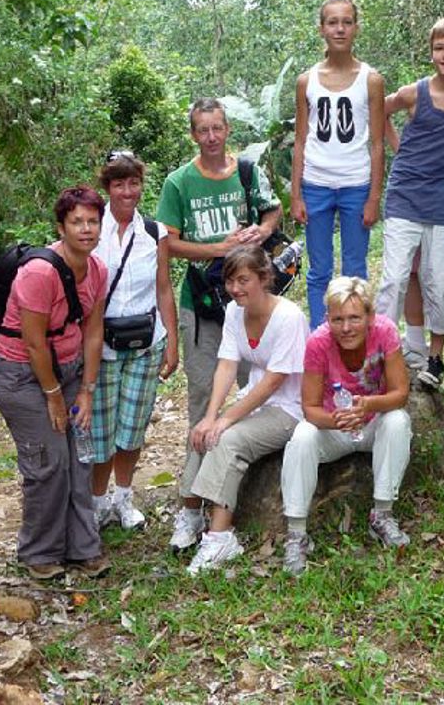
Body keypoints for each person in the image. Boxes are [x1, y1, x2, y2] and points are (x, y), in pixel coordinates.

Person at [155, 98, 283, 552]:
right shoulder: (179, 182)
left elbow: (273, 211)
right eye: (202, 130)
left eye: (217, 128)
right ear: (193, 134)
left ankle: (238, 493)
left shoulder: (246, 172)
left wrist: (261, 234)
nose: (211, 137)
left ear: (227, 129)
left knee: (260, 398)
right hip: (203, 303)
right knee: (203, 400)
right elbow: (167, 243)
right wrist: (219, 250)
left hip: (253, 303)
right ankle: (191, 509)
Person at [0, 185, 109, 580]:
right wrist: (54, 397)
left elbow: (94, 331)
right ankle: (39, 552)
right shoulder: (39, 272)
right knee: (48, 463)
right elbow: (33, 341)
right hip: (24, 376)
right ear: (61, 227)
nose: (86, 230)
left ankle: (82, 548)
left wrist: (87, 391)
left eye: (93, 222)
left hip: (72, 371)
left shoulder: (96, 270)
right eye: (77, 222)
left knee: (79, 459)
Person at [182, 245, 309, 574]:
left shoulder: (289, 317)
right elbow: (226, 365)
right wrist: (211, 417)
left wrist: (225, 420)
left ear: (264, 278)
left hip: (290, 408)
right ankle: (191, 515)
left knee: (228, 439)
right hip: (255, 399)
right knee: (203, 430)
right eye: (230, 281)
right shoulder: (235, 314)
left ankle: (221, 537)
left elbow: (273, 381)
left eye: (243, 280)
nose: (235, 289)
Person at [280, 277, 412, 576]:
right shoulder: (318, 342)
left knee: (398, 421)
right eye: (338, 319)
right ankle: (297, 533)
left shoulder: (385, 333)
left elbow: (400, 394)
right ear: (328, 318)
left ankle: (382, 514)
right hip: (334, 426)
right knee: (302, 436)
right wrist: (337, 420)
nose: (347, 327)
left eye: (355, 318)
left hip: (372, 421)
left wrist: (368, 405)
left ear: (369, 316)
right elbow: (310, 408)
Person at [374, 16, 444, 387]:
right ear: (431, 53)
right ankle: (383, 354)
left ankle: (434, 359)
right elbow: (380, 110)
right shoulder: (415, 92)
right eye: (438, 47)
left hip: (443, 200)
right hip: (404, 194)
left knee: (438, 280)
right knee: (396, 277)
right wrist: (398, 148)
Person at [89, 150, 180, 531]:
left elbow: (162, 288)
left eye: (133, 183)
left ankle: (124, 499)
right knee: (100, 432)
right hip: (103, 346)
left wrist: (172, 341)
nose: (127, 191)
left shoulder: (155, 233)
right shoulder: (92, 230)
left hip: (145, 343)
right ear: (107, 187)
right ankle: (95, 505)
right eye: (119, 183)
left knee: (133, 426)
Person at [290, 0, 385, 330]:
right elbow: (301, 139)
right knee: (319, 269)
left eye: (347, 22)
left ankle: (355, 333)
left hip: (355, 184)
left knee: (355, 267)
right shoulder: (307, 81)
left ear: (356, 28)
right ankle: (321, 334)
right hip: (316, 183)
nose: (340, 28)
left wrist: (374, 196)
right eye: (333, 22)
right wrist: (296, 194)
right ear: (322, 29)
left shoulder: (370, 79)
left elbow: (376, 142)